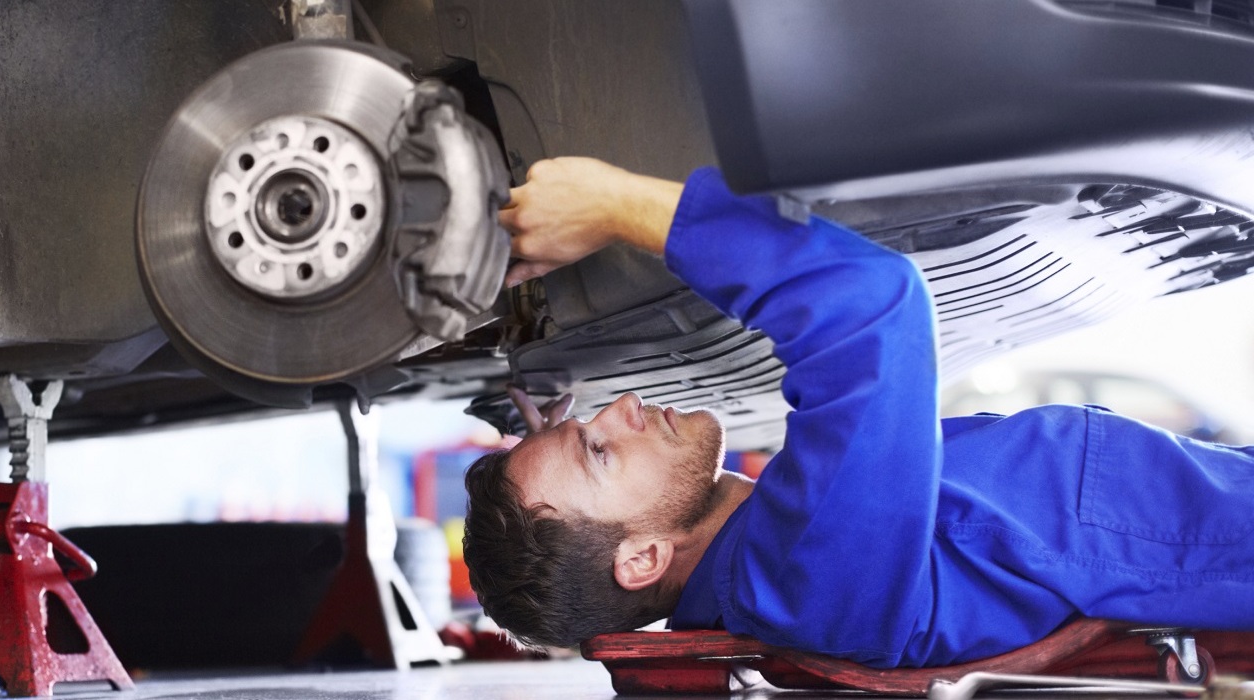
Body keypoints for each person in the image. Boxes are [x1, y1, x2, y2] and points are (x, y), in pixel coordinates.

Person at [462, 157, 1254, 668]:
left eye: (590, 422)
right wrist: (614, 203)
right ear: (641, 562)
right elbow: (869, 306)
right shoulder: (804, 576)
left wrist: (560, 444)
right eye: (601, 451)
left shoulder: (781, 561)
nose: (624, 406)